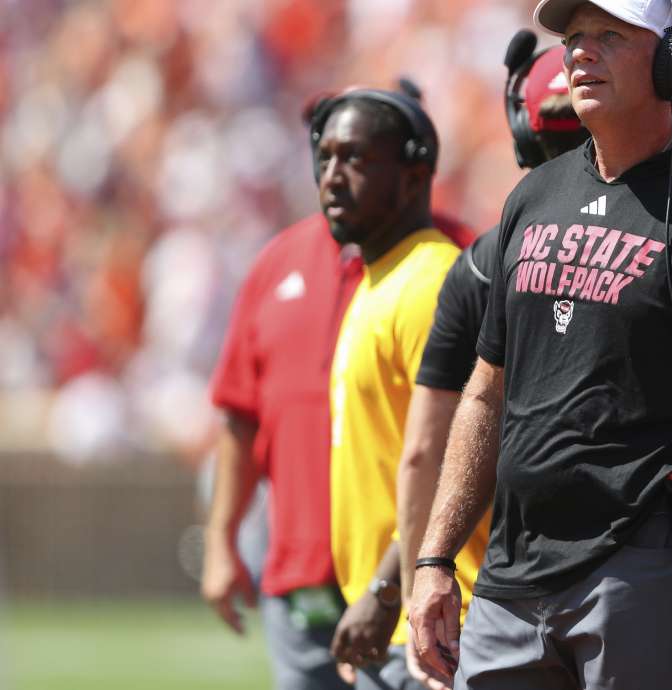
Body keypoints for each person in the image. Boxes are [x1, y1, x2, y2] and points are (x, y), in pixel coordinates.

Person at [406, 2, 672, 690]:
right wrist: (435, 559)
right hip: (512, 575)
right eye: (572, 39)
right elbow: (485, 392)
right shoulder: (532, 197)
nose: (580, 54)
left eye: (609, 36)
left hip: (649, 571)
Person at [395, 40, 589, 689]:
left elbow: (425, 448)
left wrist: (415, 590)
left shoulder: (482, 263)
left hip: (500, 591)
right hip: (641, 583)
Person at [312, 87, 473, 690]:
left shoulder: (429, 282)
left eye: (354, 159)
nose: (331, 178)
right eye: (324, 158)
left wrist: (385, 592)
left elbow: (458, 458)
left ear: (412, 176)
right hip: (399, 621)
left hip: (430, 625)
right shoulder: (381, 277)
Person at [203, 210, 361, 690]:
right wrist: (220, 539)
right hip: (300, 571)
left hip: (410, 574)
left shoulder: (452, 256)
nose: (333, 169)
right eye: (323, 145)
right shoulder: (277, 260)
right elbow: (241, 414)